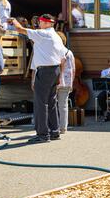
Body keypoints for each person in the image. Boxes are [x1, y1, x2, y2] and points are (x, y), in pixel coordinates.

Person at [12, 14, 68, 143]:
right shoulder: (56, 36)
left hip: (45, 71)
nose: (39, 24)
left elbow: (20, 30)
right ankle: (54, 132)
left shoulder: (43, 33)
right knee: (52, 103)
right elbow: (63, 57)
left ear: (46, 23)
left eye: (41, 22)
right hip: (55, 70)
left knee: (41, 103)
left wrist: (14, 20)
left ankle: (42, 134)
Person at [56, 32, 75, 134]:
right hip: (66, 81)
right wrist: (71, 83)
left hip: (55, 81)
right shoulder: (69, 52)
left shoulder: (53, 51)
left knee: (52, 105)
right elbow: (73, 69)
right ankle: (63, 127)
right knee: (63, 106)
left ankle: (54, 126)